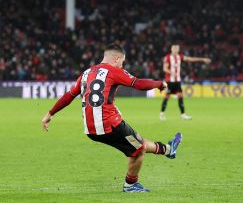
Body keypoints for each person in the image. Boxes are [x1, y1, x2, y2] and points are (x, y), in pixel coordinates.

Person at [41, 43, 182, 193]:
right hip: (109, 124)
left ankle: (168, 149)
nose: (122, 65)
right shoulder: (114, 71)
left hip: (90, 129)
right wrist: (159, 83)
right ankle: (131, 185)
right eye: (122, 61)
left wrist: (50, 113)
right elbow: (138, 83)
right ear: (116, 58)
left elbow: (69, 96)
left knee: (135, 142)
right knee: (138, 149)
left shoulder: (86, 73)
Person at [160, 44, 211, 120]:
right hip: (170, 81)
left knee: (180, 96)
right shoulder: (167, 57)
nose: (175, 50)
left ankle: (183, 114)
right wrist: (172, 72)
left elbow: (191, 59)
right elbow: (165, 69)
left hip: (177, 81)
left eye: (177, 49)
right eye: (174, 49)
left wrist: (202, 59)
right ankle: (162, 114)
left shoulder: (180, 57)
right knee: (167, 97)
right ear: (171, 50)